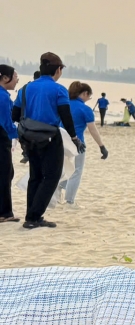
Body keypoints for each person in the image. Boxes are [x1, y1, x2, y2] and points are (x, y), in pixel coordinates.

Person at [11, 52, 78, 229]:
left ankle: (30, 215)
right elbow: (66, 116)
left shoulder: (26, 88)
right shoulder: (59, 89)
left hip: (29, 137)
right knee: (51, 177)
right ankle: (34, 216)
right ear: (57, 70)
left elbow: (15, 114)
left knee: (36, 176)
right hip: (49, 137)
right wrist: (73, 136)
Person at [54, 82, 108, 206]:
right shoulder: (85, 109)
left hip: (60, 141)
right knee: (76, 171)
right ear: (84, 93)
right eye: (89, 95)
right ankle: (69, 201)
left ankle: (57, 193)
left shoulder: (62, 105)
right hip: (77, 143)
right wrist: (101, 146)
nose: (89, 98)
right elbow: (92, 129)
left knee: (63, 170)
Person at [0, 65, 18, 222]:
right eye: (15, 76)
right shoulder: (3, 97)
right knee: (5, 174)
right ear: (5, 78)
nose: (17, 80)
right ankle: (5, 213)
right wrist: (19, 135)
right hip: (1, 138)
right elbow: (6, 122)